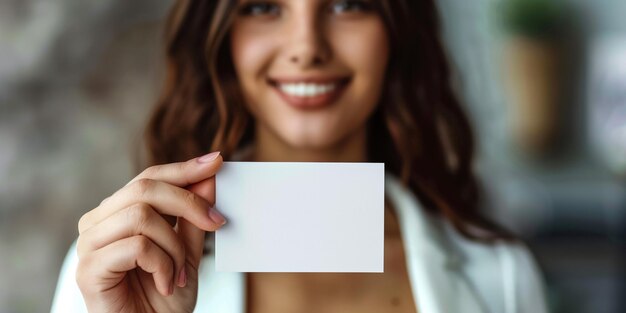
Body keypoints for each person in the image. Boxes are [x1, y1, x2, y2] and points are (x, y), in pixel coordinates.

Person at [51, 0, 549, 312]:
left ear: (397, 29)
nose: (307, 47)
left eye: (348, 4)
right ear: (221, 36)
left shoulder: (500, 275)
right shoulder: (117, 268)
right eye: (264, 7)